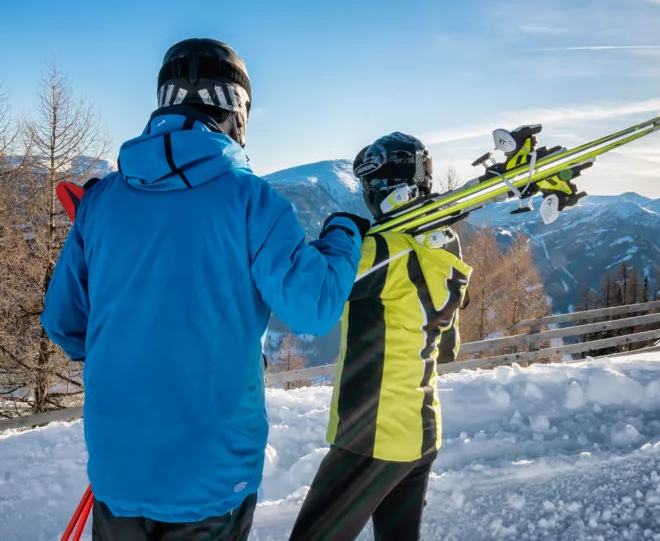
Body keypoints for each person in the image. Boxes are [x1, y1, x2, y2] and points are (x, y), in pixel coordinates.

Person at [42, 38, 367, 541]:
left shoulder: (101, 201)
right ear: (236, 112)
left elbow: (65, 325)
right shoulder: (251, 200)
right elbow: (315, 305)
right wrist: (343, 234)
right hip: (212, 474)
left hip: (119, 469)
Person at [289, 132, 472, 541]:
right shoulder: (447, 254)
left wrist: (339, 229)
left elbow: (310, 289)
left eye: (369, 187)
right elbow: (447, 347)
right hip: (422, 433)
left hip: (371, 438)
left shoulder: (382, 253)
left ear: (382, 188)